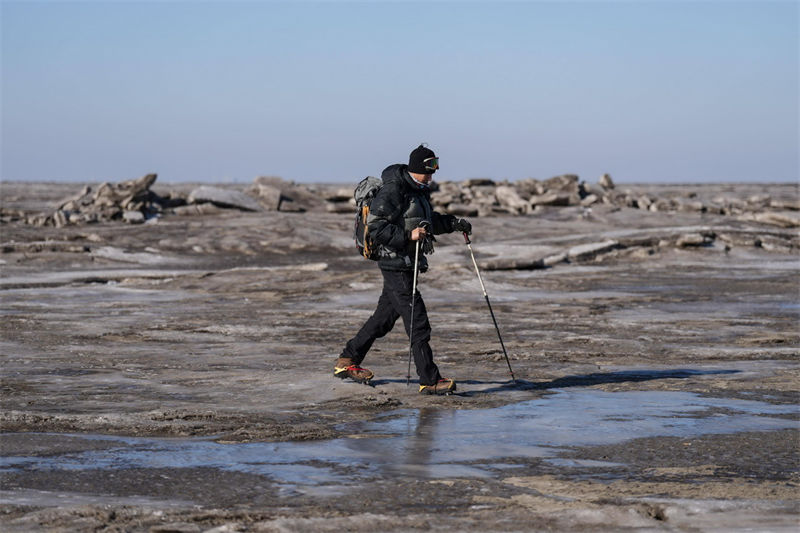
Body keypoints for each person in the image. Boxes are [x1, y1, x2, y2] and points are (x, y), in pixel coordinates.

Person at [334, 144, 471, 395]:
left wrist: (453, 223)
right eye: (429, 169)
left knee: (383, 319)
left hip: (408, 265)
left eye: (435, 168)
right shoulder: (394, 190)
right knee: (417, 322)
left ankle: (347, 360)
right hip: (394, 264)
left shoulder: (418, 191)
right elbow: (376, 227)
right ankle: (429, 380)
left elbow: (427, 222)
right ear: (416, 168)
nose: (432, 174)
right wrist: (409, 235)